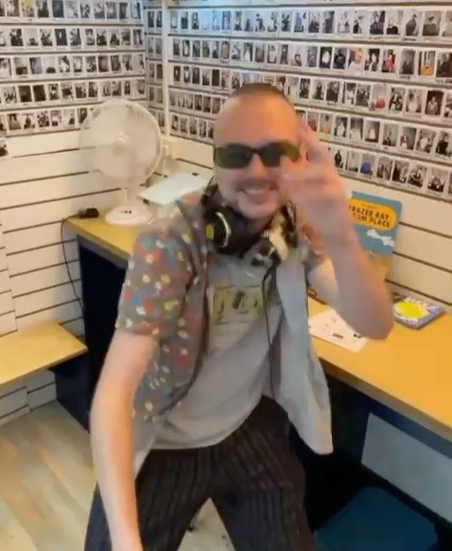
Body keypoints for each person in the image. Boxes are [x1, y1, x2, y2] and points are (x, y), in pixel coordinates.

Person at [84, 83, 393, 551]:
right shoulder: (172, 240)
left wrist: (340, 233)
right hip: (165, 440)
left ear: (300, 158)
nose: (256, 171)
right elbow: (113, 394)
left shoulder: (292, 227)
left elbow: (376, 325)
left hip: (246, 424)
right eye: (236, 155)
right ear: (215, 161)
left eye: (275, 152)